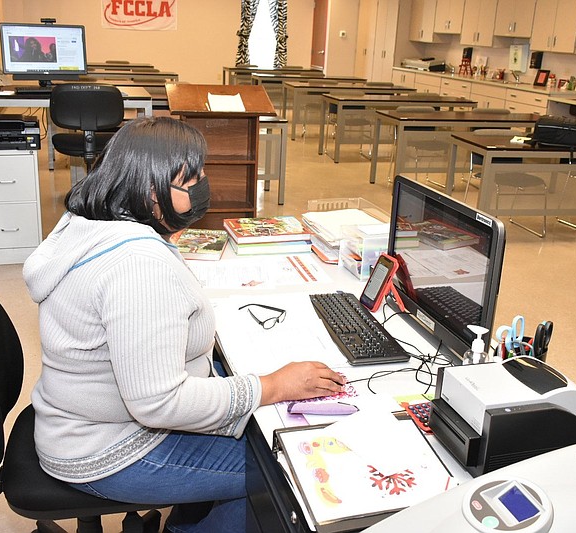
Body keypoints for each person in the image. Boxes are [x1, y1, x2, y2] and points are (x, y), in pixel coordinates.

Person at [23, 116, 345, 532]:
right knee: (284, 473)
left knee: (260, 433)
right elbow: (159, 403)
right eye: (190, 180)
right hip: (109, 448)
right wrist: (273, 386)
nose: (202, 186)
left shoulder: (91, 224)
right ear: (150, 192)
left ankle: (189, 517)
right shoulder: (137, 266)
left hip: (79, 420)